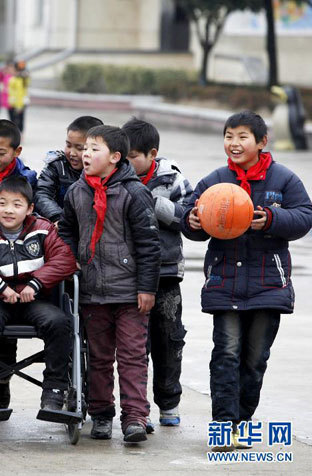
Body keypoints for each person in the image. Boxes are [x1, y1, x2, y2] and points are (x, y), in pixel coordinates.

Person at [182, 111, 312, 451]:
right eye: (229, 136)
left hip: (269, 285)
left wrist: (270, 218)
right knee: (225, 354)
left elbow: (304, 216)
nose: (234, 143)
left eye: (242, 137)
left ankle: (242, 422)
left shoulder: (283, 180)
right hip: (224, 282)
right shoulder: (216, 180)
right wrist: (193, 220)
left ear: (261, 142)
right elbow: (188, 214)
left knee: (255, 359)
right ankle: (223, 428)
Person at [58, 125, 160, 443]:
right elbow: (66, 231)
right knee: (99, 357)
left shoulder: (134, 192)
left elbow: (149, 244)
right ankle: (101, 414)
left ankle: (135, 418)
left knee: (132, 355)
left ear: (115, 158)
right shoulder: (77, 192)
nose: (85, 154)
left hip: (130, 293)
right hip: (92, 291)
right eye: (85, 148)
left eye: (94, 149)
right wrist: (71, 257)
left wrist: (147, 288)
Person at [0, 176, 77, 412]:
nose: (8, 210)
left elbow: (65, 259)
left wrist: (35, 284)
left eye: (16, 204)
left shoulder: (43, 229)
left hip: (33, 299)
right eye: (2, 203)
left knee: (60, 322)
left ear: (30, 208)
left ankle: (54, 391)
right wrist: (0, 286)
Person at [122, 118, 193, 431]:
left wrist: (148, 200)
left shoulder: (173, 179)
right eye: (123, 156)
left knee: (168, 339)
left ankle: (169, 401)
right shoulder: (116, 178)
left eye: (133, 156)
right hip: (128, 274)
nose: (127, 162)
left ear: (152, 154)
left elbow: (189, 220)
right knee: (136, 345)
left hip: (165, 274)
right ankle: (139, 410)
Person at [34, 115, 104, 223]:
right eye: (68, 145)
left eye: (79, 148)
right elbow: (42, 194)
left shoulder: (105, 170)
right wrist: (58, 218)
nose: (72, 153)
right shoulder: (57, 166)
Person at [8, 61, 29, 133]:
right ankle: (15, 134)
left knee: (21, 119)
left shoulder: (24, 79)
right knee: (13, 121)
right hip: (13, 103)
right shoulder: (12, 79)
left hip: (21, 103)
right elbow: (11, 92)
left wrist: (21, 105)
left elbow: (23, 91)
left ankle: (20, 133)